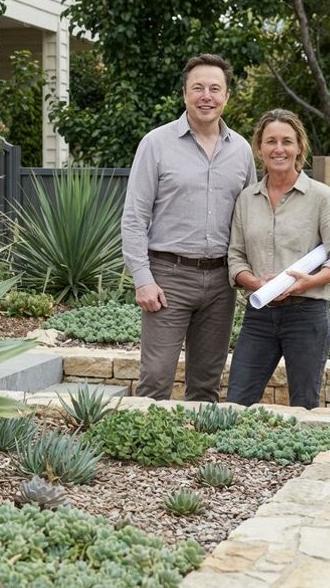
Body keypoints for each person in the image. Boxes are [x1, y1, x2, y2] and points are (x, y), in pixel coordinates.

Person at [122, 54, 257, 402]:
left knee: (206, 385)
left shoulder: (241, 150)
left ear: (227, 96)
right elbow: (135, 216)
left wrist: (251, 275)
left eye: (215, 88)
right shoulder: (156, 144)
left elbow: (250, 218)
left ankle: (198, 455)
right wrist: (143, 278)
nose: (206, 96)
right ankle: (144, 453)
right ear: (184, 94)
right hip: (168, 278)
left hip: (221, 282)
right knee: (155, 379)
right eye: (198, 88)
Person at [226, 109, 330, 409]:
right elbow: (235, 257)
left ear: (299, 148)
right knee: (236, 402)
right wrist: (254, 282)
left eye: (287, 141)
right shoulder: (246, 200)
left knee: (304, 406)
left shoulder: (321, 197)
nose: (278, 149)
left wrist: (308, 282)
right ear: (260, 148)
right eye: (271, 141)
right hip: (259, 316)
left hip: (306, 316)